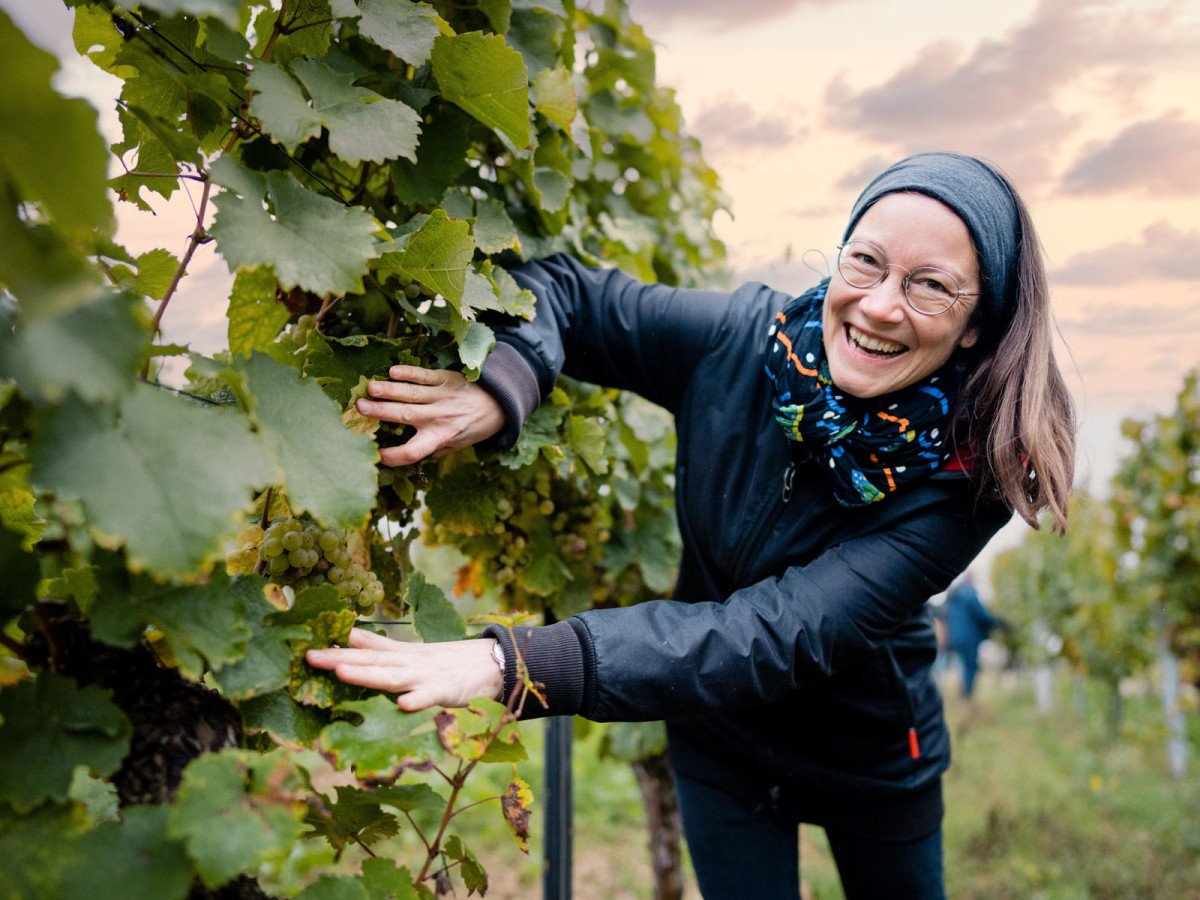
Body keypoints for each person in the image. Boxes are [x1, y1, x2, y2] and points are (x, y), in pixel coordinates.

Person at [305, 152, 1076, 899]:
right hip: (719, 738)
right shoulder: (742, 342)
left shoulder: (965, 479)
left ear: (977, 326)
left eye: (931, 286)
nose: (879, 304)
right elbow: (567, 289)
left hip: (870, 755)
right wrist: (505, 386)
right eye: (865, 262)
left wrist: (516, 664)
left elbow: (777, 634)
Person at [942, 572, 1006, 699]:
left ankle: (963, 695)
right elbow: (982, 616)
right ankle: (967, 697)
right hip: (970, 637)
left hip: (956, 637)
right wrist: (999, 622)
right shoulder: (969, 594)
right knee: (971, 666)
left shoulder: (954, 597)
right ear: (970, 579)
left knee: (964, 666)